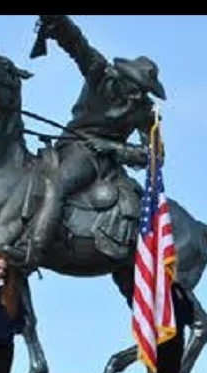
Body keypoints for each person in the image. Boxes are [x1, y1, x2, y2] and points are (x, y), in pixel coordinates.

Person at [18, 13, 165, 267]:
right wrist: (58, 22)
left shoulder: (145, 111)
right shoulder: (100, 74)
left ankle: (33, 249)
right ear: (125, 77)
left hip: (97, 159)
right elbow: (77, 45)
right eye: (136, 86)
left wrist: (114, 148)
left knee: (58, 185)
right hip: (70, 143)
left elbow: (154, 156)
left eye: (144, 91)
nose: (138, 94)